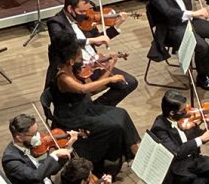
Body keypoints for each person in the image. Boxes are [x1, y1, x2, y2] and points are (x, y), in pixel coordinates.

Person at [49, 42, 141, 172]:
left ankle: (133, 152)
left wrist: (110, 67)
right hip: (73, 117)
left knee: (121, 113)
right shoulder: (63, 78)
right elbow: (83, 89)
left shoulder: (74, 71)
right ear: (70, 61)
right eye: (80, 58)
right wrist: (109, 80)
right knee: (115, 125)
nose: (82, 61)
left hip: (85, 108)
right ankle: (126, 155)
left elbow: (92, 88)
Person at [44, 0, 138, 103]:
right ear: (70, 9)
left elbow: (99, 40)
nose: (86, 14)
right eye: (82, 11)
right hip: (74, 70)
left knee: (129, 83)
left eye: (87, 10)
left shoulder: (86, 20)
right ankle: (91, 111)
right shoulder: (55, 22)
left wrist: (116, 26)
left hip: (92, 64)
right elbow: (61, 42)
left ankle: (96, 107)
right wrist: (92, 40)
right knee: (123, 83)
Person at [1, 113, 72, 184]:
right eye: (33, 134)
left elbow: (49, 171)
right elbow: (35, 176)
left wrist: (66, 151)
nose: (38, 137)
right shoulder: (11, 160)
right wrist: (54, 155)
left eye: (37, 132)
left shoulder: (31, 147)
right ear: (19, 137)